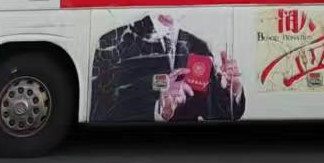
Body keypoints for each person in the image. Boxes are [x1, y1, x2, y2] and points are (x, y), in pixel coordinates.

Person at [90, 13, 246, 124]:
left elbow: (217, 114)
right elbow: (101, 113)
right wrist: (159, 107)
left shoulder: (199, 47)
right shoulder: (114, 42)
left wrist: (233, 90)